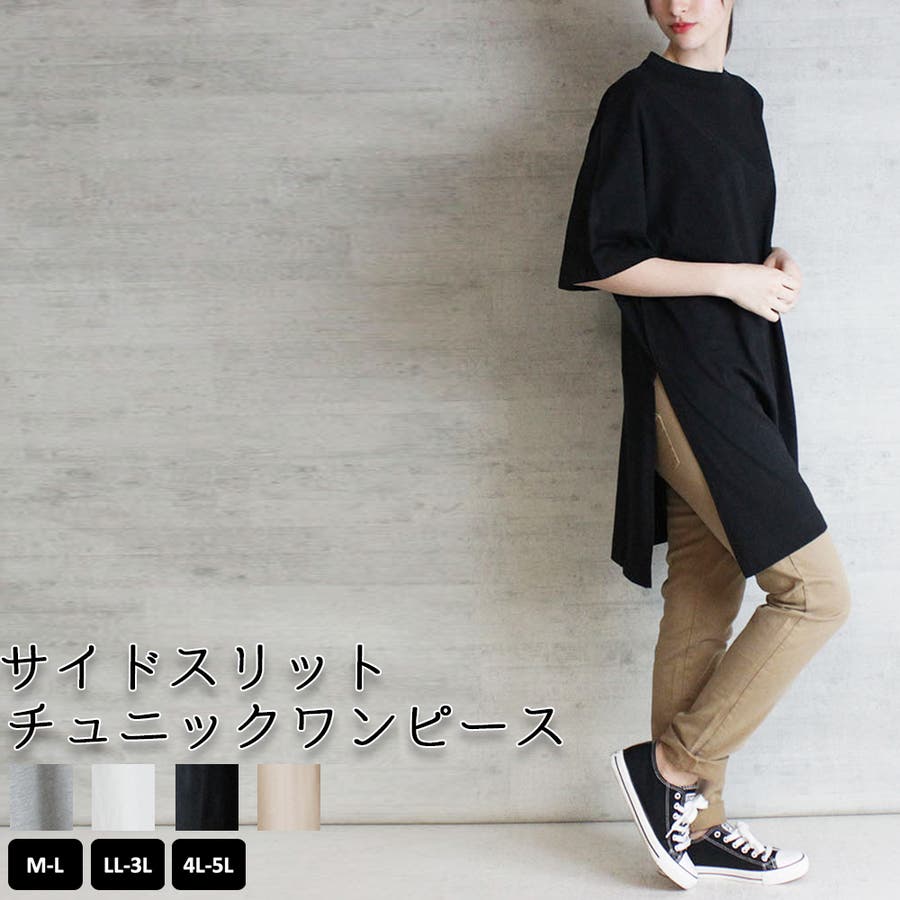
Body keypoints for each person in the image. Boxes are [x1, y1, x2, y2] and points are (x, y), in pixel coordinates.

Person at [557, 0, 851, 889]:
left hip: (742, 368)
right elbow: (602, 256)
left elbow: (714, 228)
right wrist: (730, 279)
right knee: (815, 594)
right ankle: (674, 768)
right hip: (687, 376)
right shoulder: (636, 100)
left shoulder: (742, 102)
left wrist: (770, 261)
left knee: (704, 591)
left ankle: (694, 829)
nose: (679, 4)